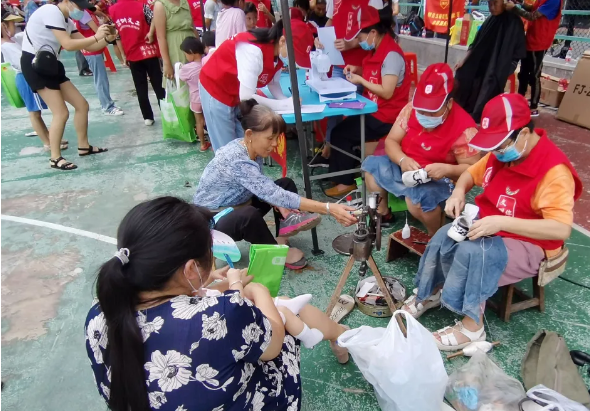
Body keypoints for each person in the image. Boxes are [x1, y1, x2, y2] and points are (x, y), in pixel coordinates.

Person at [86, 196, 351, 410]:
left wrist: (206, 286)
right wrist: (252, 290)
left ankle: (335, 336)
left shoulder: (100, 312)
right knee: (283, 310)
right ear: (190, 269)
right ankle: (339, 335)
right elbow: (273, 343)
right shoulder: (221, 314)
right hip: (248, 392)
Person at [402, 93, 582, 351]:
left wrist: (501, 223)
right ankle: (430, 293)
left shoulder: (554, 172)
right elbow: (468, 174)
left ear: (523, 133)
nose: (496, 152)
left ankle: (472, 328)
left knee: (476, 252)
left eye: (499, 144)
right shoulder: (501, 152)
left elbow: (560, 228)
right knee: (444, 235)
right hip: (493, 226)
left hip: (533, 243)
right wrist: (458, 192)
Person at [194, 100, 357, 269]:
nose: (274, 144)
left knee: (285, 184)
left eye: (276, 138)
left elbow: (265, 189)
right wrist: (329, 208)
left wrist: (281, 203)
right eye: (270, 138)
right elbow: (271, 193)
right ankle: (275, 253)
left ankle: (283, 234)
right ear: (249, 135)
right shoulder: (238, 160)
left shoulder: (251, 149)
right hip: (212, 221)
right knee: (250, 214)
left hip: (238, 204)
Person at [362, 63, 481, 234]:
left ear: (449, 104)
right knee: (372, 169)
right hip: (407, 165)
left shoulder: (464, 127)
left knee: (417, 201)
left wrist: (446, 169)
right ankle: (383, 215)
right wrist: (402, 159)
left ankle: (436, 234)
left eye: (432, 112)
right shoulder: (411, 109)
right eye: (421, 110)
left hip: (439, 178)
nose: (424, 116)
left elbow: (472, 170)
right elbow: (391, 141)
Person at [325, 4, 410, 198]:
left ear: (373, 32)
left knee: (341, 133)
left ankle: (344, 182)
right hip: (373, 109)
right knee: (343, 130)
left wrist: (360, 80)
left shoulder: (392, 55)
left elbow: (387, 91)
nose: (359, 42)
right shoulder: (376, 50)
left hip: (387, 116)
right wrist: (357, 69)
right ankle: (340, 174)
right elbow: (376, 74)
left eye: (360, 37)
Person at [21, 0, 112, 170]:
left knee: (81, 105)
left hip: (50, 63)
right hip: (36, 64)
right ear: (68, 2)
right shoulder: (51, 11)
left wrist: (107, 39)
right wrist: (96, 36)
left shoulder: (67, 21)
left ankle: (83, 146)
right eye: (79, 7)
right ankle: (55, 157)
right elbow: (68, 44)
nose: (81, 11)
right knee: (61, 112)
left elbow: (90, 45)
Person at [199, 20, 310, 150]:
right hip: (215, 89)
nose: (294, 60)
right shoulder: (253, 51)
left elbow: (273, 84)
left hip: (236, 93)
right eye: (295, 55)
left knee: (247, 145)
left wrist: (287, 101)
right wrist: (285, 104)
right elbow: (247, 97)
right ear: (282, 41)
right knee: (227, 149)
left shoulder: (276, 55)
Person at [312, 0, 370, 165]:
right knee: (333, 107)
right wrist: (320, 37)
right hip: (338, 61)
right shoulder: (334, 1)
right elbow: (331, 21)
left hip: (359, 64)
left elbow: (374, 30)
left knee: (355, 110)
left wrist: (352, 43)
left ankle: (352, 156)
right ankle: (330, 149)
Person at [0, 8, 67, 151]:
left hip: (26, 76)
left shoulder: (14, 39)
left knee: (37, 111)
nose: (15, 26)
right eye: (11, 23)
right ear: (3, 26)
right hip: (24, 77)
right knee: (34, 112)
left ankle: (51, 137)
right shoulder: (6, 45)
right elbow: (21, 62)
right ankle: (47, 142)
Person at [453, 0, 526, 123]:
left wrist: (506, 66)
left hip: (503, 64)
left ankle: (479, 112)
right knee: (463, 71)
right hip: (484, 59)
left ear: (503, 3)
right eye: (489, 3)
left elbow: (516, 52)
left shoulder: (514, 21)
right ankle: (462, 107)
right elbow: (475, 45)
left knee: (491, 78)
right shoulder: (490, 20)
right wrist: (464, 60)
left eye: (495, 3)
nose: (491, 7)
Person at [110, 0, 165, 126]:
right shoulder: (142, 5)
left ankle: (147, 117)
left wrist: (123, 55)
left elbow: (116, 35)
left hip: (131, 53)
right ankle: (165, 111)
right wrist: (151, 33)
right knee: (158, 84)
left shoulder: (112, 10)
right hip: (148, 50)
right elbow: (155, 19)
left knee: (140, 87)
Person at [506, 0, 563, 117]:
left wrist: (514, 8)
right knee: (523, 73)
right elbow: (533, 9)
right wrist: (521, 2)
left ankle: (533, 106)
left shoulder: (554, 1)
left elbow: (532, 16)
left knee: (534, 75)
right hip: (531, 39)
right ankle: (520, 101)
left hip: (539, 43)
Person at [73, 10, 124, 115]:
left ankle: (107, 103)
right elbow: (97, 32)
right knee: (100, 78)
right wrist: (108, 31)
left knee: (101, 77)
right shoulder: (83, 13)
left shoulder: (81, 12)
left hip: (92, 47)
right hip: (93, 49)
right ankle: (107, 107)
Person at [178, 37, 211, 150]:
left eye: (186, 54)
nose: (186, 57)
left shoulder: (187, 68)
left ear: (191, 52)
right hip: (207, 97)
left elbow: (182, 78)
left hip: (195, 99)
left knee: (199, 122)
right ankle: (214, 142)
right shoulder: (207, 62)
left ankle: (202, 144)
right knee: (210, 121)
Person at [154, 0, 198, 82]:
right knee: (179, 81)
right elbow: (161, 37)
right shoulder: (160, 5)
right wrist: (166, 63)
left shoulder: (185, 2)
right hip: (175, 48)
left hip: (192, 47)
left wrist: (200, 49)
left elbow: (193, 27)